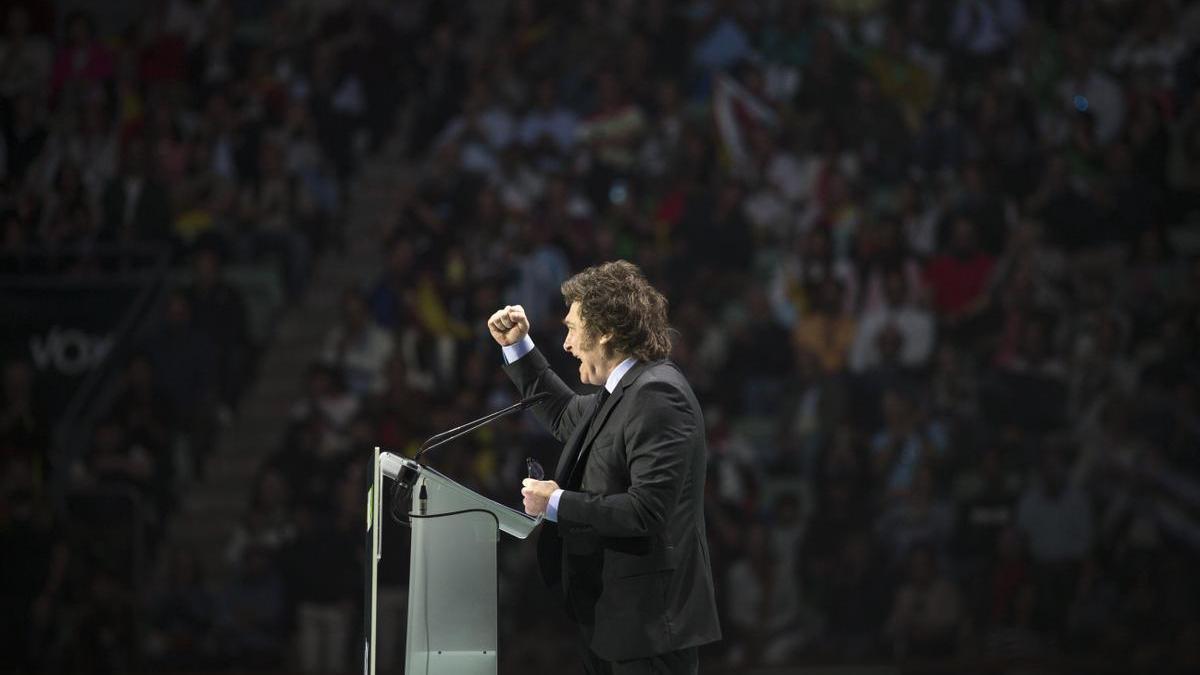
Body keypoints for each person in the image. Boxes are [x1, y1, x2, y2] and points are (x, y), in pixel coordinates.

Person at [487, 260, 721, 674]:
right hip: (613, 619)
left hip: (648, 627)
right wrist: (518, 346)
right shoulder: (623, 393)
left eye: (573, 328)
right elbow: (562, 413)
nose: (567, 344)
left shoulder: (658, 394)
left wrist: (557, 502)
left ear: (606, 331)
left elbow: (646, 510)